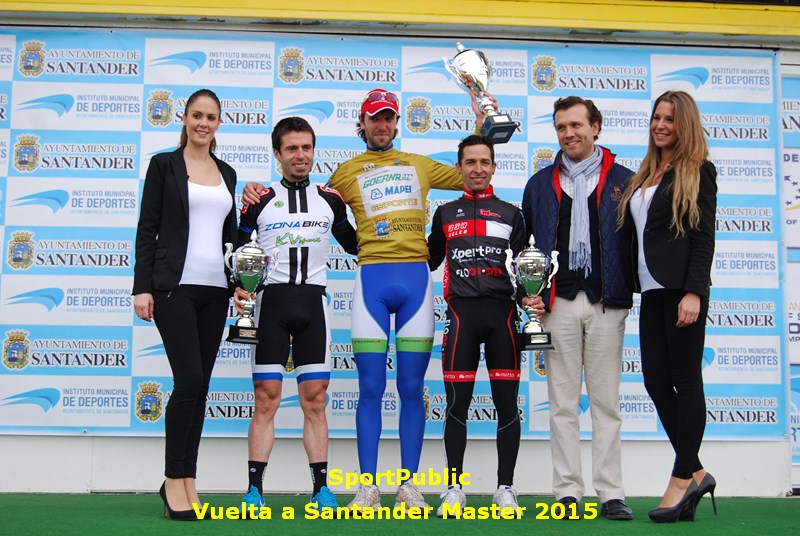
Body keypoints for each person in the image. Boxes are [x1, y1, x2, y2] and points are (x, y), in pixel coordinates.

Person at [243, 89, 494, 509]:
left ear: (397, 122)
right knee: (371, 387)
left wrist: (482, 124)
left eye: (388, 118)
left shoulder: (420, 165)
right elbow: (308, 201)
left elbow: (471, 172)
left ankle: (409, 485)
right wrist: (252, 191)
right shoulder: (343, 175)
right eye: (374, 118)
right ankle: (367, 486)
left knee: (412, 388)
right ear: (362, 123)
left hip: (416, 278)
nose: (382, 125)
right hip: (371, 282)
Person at [234, 117, 358, 514]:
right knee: (266, 400)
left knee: (316, 400)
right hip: (270, 305)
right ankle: (254, 490)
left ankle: (321, 489)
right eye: (291, 148)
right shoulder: (259, 199)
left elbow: (356, 244)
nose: (300, 155)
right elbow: (236, 254)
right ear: (277, 154)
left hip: (314, 305)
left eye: (306, 147)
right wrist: (239, 288)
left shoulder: (331, 199)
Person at [521, 96, 634, 520]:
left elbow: (636, 242)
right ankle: (567, 492)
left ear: (596, 127)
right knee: (562, 404)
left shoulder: (625, 180)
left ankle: (611, 494)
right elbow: (524, 248)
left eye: (576, 125)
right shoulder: (539, 183)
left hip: (608, 302)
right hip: (558, 303)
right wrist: (526, 294)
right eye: (561, 127)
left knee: (606, 404)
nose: (568, 134)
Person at [132, 88, 236, 520]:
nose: (203, 123)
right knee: (189, 379)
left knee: (201, 387)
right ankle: (173, 479)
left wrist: (242, 279)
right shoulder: (164, 166)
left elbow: (232, 235)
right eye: (197, 115)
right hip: (174, 287)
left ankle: (187, 479)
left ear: (218, 122)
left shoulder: (227, 171)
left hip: (217, 291)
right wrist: (143, 287)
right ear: (185, 117)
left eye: (211, 117)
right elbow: (147, 228)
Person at [427, 135, 544, 517]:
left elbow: (531, 267)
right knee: (456, 405)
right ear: (459, 168)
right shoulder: (445, 213)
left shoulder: (512, 214)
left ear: (494, 167)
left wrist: (533, 297)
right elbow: (426, 260)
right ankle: (454, 487)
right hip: (460, 316)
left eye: (484, 162)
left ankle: (505, 488)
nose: (477, 169)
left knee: (506, 405)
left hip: (503, 317)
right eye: (470, 162)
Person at [617, 90, 717, 523]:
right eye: (656, 117)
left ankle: (681, 479)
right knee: (656, 381)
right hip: (652, 290)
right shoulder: (647, 172)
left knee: (684, 379)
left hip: (682, 291)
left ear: (685, 125)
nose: (660, 125)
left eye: (670, 119)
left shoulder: (700, 172)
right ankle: (698, 470)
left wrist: (695, 291)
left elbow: (703, 236)